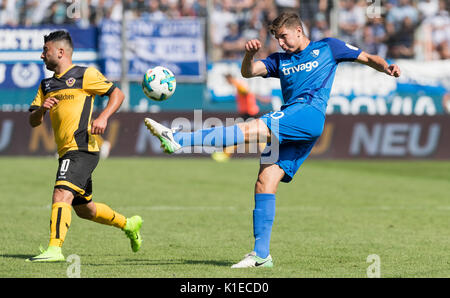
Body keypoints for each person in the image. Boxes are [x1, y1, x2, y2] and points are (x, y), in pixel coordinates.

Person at [144, 12, 400, 268]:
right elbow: (249, 72)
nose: (281, 43)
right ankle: (261, 255)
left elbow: (367, 57)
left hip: (307, 114)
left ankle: (179, 139)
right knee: (265, 181)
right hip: (292, 120)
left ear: (298, 31)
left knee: (249, 128)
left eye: (284, 37)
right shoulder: (280, 60)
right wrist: (248, 55)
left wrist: (386, 66)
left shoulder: (328, 47)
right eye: (277, 38)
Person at [26, 30, 143, 262]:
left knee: (61, 193)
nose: (42, 55)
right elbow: (33, 121)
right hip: (66, 151)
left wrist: (103, 117)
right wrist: (42, 109)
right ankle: (129, 224)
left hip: (81, 148)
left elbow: (116, 94)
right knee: (84, 209)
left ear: (60, 52)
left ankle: (54, 249)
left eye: (45, 50)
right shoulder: (46, 84)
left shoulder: (84, 74)